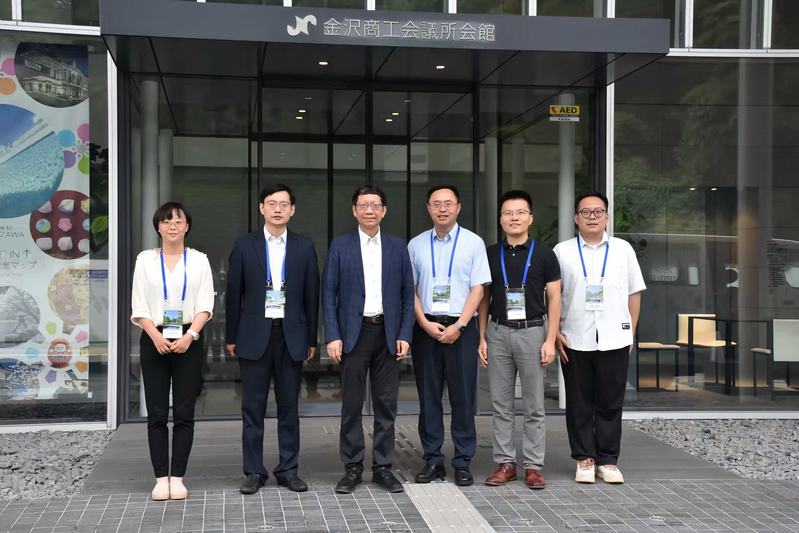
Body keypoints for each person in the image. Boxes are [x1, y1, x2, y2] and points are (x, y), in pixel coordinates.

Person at [225, 184, 319, 494]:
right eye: (271, 203)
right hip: (254, 335)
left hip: (291, 336)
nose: (278, 209)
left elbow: (312, 296)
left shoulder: (305, 247)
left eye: (284, 204)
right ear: (261, 208)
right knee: (252, 407)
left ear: (292, 210)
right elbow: (233, 294)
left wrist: (311, 338)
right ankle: (254, 471)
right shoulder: (244, 246)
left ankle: (288, 470)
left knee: (289, 408)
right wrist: (231, 335)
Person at [322, 186, 415, 494]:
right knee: (351, 404)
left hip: (387, 333)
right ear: (354, 210)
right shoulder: (340, 246)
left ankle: (383, 467)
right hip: (353, 334)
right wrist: (332, 335)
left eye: (375, 205)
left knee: (386, 404)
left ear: (384, 210)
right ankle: (352, 468)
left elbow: (407, 293)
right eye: (363, 205)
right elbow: (328, 293)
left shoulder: (397, 247)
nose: (369, 210)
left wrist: (404, 334)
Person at [554, 192, 646, 484]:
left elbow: (634, 292)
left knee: (610, 401)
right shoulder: (562, 251)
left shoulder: (623, 250)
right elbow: (552, 296)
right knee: (578, 402)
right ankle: (584, 458)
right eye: (585, 212)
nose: (592, 216)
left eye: (598, 211)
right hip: (573, 337)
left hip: (614, 336)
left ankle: (608, 460)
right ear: (576, 218)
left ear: (607, 216)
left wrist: (630, 331)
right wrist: (554, 332)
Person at [408, 184, 491, 487]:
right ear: (428, 208)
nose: (442, 209)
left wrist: (461, 326)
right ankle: (432, 460)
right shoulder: (416, 245)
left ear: (458, 207)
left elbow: (479, 289)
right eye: (436, 204)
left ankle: (463, 462)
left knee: (463, 398)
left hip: (462, 328)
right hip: (426, 330)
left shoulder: (473, 243)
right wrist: (424, 323)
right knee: (428, 398)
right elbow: (410, 290)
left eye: (448, 203)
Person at [477, 190, 561, 490]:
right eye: (508, 213)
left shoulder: (545, 254)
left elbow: (555, 298)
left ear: (530, 218)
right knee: (501, 403)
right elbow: (483, 298)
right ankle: (505, 463)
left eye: (520, 212)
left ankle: (533, 466)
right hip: (498, 332)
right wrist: (482, 337)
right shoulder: (489, 254)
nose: (514, 218)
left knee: (534, 404)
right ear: (501, 219)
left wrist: (550, 339)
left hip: (533, 332)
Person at [131, 202, 214, 501]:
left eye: (178, 221)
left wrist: (191, 335)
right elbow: (139, 305)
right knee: (156, 413)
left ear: (187, 226)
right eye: (166, 221)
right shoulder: (145, 260)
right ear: (158, 227)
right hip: (154, 336)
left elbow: (205, 304)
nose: (172, 226)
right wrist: (154, 335)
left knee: (183, 412)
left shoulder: (199, 260)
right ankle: (160, 479)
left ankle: (177, 478)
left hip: (188, 339)